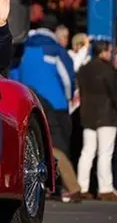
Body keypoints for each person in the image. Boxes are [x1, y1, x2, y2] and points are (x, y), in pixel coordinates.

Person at [10, 14, 81, 202]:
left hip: (27, 100)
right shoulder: (56, 50)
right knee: (58, 145)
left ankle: (42, 185)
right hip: (55, 103)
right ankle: (68, 186)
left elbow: (13, 74)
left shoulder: (22, 48)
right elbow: (67, 78)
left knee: (33, 142)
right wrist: (67, 98)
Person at [76, 40, 117, 201]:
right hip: (106, 116)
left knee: (87, 152)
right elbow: (115, 94)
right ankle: (105, 189)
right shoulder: (108, 70)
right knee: (105, 153)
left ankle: (81, 186)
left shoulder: (84, 69)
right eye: (109, 51)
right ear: (103, 52)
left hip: (87, 114)